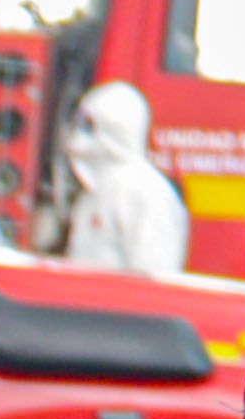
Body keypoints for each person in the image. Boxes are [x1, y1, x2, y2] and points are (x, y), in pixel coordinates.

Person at [59, 78, 193, 276]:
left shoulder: (145, 193)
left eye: (89, 126)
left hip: (115, 306)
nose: (80, 136)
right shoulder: (93, 192)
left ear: (116, 130)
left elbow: (155, 275)